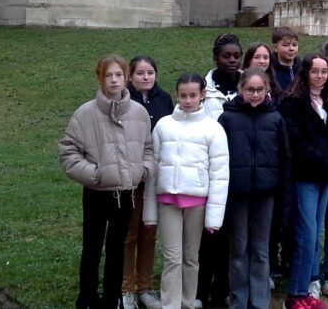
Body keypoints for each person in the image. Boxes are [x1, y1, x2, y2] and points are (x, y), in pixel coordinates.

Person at [60, 55, 154, 309]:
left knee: (117, 249)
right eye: (108, 75)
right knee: (92, 248)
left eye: (118, 75)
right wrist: (95, 174)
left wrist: (142, 170)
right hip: (96, 193)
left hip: (125, 193)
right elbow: (69, 152)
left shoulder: (139, 113)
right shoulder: (85, 114)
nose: (114, 80)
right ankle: (88, 297)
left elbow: (148, 147)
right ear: (100, 78)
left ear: (126, 78)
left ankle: (112, 298)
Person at [144, 73, 230, 309]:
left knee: (191, 257)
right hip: (168, 202)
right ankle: (170, 304)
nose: (188, 100)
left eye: (193, 95)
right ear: (177, 95)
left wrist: (214, 218)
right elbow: (154, 168)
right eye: (183, 95)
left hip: (198, 203)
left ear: (203, 94)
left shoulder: (213, 128)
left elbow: (220, 174)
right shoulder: (164, 125)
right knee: (172, 257)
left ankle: (188, 301)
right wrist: (150, 213)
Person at [279, 54, 328, 308]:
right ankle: (297, 293)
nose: (321, 76)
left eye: (324, 72)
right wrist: (321, 159)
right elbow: (295, 140)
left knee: (317, 231)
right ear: (305, 73)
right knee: (306, 233)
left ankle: (305, 293)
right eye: (315, 71)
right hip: (306, 175)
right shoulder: (292, 103)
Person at [218, 67, 290, 309]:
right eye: (250, 89)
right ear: (241, 89)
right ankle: (238, 300)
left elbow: (284, 157)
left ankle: (259, 302)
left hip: (265, 193)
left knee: (260, 249)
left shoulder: (275, 118)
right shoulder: (227, 118)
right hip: (237, 193)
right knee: (238, 248)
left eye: (260, 90)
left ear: (267, 90)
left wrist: (281, 189)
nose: (255, 94)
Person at [122, 56, 173, 309]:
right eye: (140, 73)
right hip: (131, 176)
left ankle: (144, 287)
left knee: (149, 232)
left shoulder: (164, 100)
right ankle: (126, 288)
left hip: (156, 175)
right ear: (131, 76)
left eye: (150, 72)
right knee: (129, 234)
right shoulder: (122, 101)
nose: (145, 77)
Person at [198, 34, 240, 306]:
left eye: (236, 55)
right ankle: (201, 289)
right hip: (209, 171)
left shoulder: (250, 85)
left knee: (229, 237)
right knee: (208, 235)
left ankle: (224, 288)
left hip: (237, 171)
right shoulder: (203, 89)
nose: (232, 60)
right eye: (227, 56)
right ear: (216, 58)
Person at [270, 27, 301, 94]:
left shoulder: (303, 68)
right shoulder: (270, 70)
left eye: (294, 45)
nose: (291, 48)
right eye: (285, 45)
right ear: (275, 48)